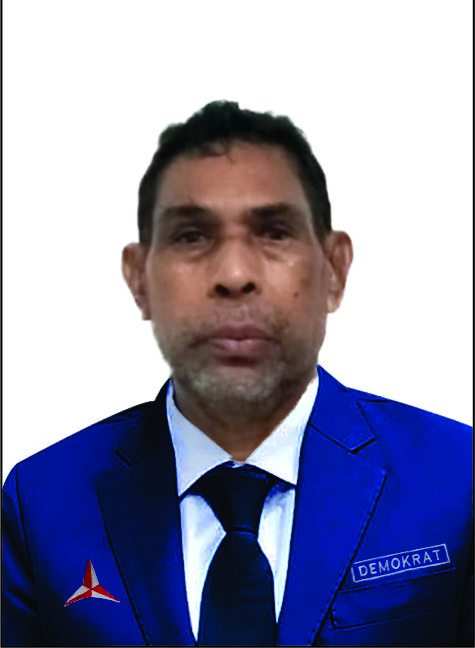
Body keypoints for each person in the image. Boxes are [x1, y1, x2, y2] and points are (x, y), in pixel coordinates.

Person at [2, 101, 472, 647]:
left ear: (334, 269)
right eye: (191, 236)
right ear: (139, 278)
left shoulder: (459, 479)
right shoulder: (41, 504)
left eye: (274, 232)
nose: (233, 274)